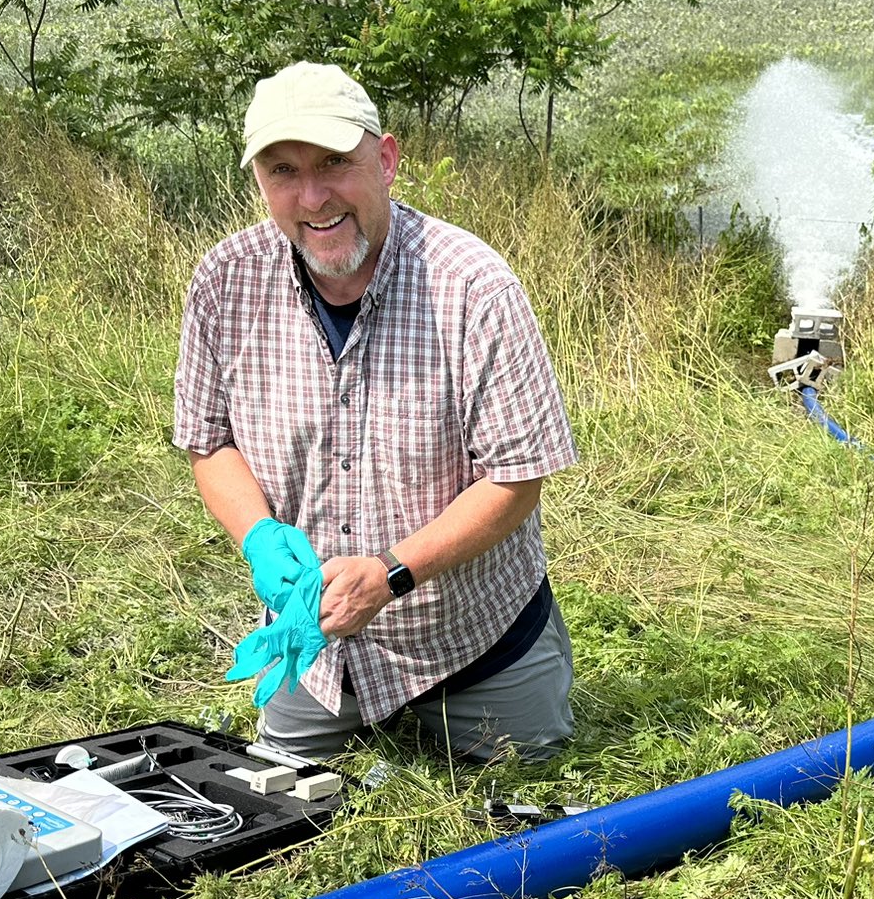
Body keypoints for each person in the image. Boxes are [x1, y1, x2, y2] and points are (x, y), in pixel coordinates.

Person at [172, 62, 577, 762]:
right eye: (283, 171)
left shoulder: (472, 287)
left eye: (335, 163)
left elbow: (518, 478)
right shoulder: (224, 280)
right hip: (317, 645)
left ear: (385, 159)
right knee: (287, 792)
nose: (313, 196)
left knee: (528, 780)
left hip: (470, 637)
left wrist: (392, 573)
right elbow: (209, 442)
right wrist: (259, 536)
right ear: (258, 183)